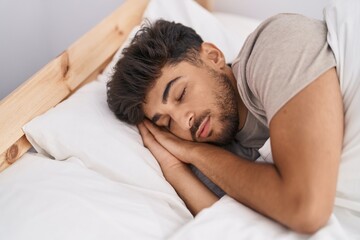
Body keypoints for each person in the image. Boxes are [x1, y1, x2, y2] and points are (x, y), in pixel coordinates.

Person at [106, 14, 344, 234]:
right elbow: (234, 230)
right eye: (166, 122)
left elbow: (306, 209)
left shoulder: (274, 45)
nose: (182, 122)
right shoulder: (216, 159)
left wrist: (194, 151)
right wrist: (174, 166)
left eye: (181, 94)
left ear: (213, 56)